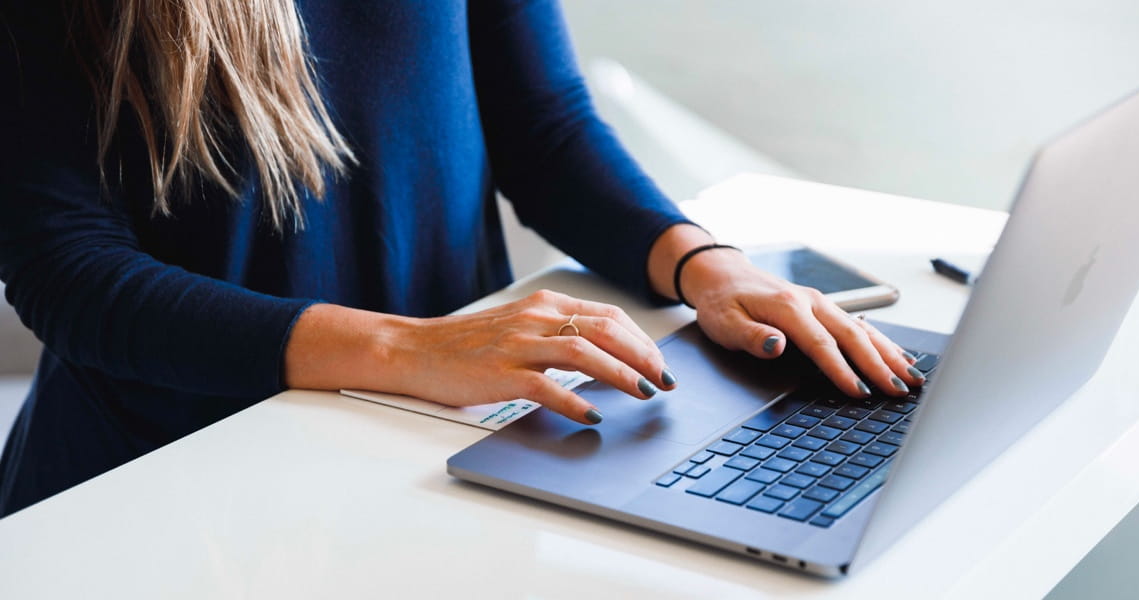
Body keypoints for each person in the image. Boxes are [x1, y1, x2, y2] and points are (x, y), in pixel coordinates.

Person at [0, 0, 924, 517]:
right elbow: (65, 269)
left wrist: (705, 265)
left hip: (443, 443)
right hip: (176, 478)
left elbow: (542, 123)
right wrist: (410, 350)